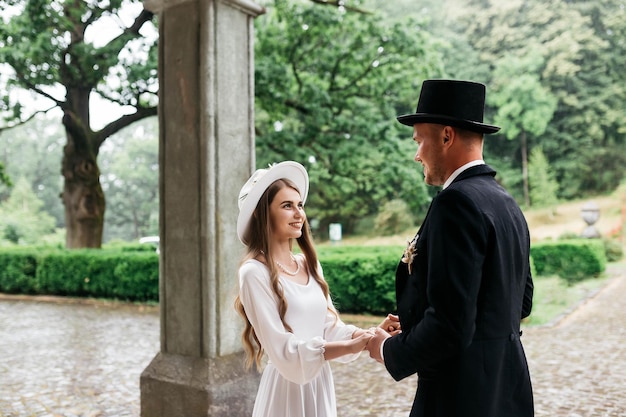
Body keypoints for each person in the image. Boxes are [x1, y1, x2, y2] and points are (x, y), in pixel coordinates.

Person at [365, 79, 534, 417]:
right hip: (507, 388)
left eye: (419, 140)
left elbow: (451, 325)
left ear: (446, 136)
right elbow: (521, 300)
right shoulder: (505, 202)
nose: (416, 155)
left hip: (460, 396)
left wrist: (386, 349)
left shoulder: (455, 203)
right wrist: (416, 321)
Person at [234, 161, 400, 417]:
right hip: (286, 393)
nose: (299, 214)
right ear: (261, 213)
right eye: (287, 206)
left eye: (300, 205)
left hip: (319, 385)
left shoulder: (309, 265)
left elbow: (330, 328)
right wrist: (352, 346)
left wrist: (370, 334)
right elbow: (284, 351)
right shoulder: (254, 273)